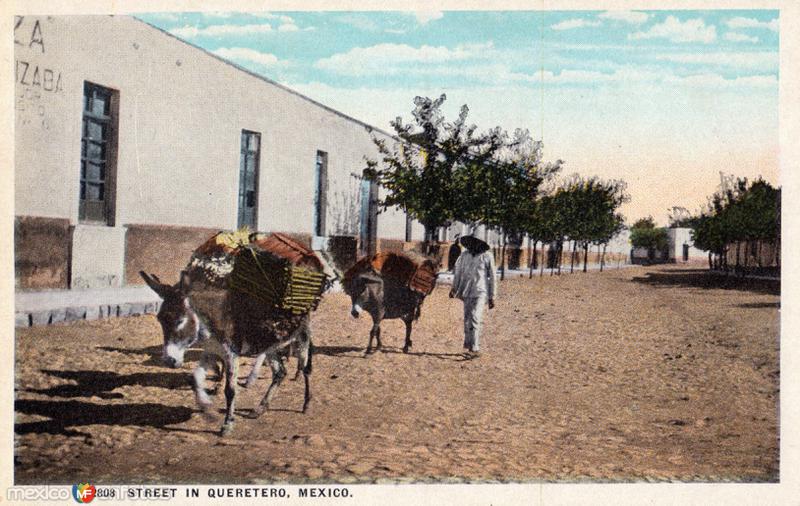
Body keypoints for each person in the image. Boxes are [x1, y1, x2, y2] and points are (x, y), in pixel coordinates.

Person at [449, 235, 497, 356]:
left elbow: (493, 277)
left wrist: (492, 296)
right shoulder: (464, 256)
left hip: (481, 292)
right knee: (467, 319)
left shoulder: (487, 256)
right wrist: (454, 288)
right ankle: (468, 344)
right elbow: (458, 272)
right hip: (466, 291)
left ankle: (475, 348)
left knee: (475, 317)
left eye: (474, 243)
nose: (471, 245)